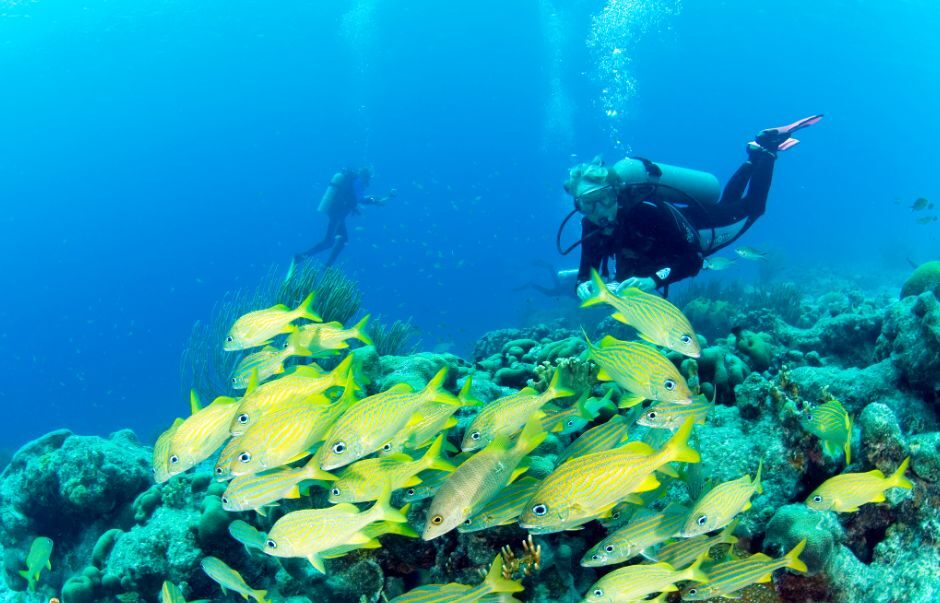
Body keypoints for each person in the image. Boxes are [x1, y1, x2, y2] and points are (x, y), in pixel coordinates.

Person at [557, 115, 822, 299]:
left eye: (603, 198)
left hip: (704, 229)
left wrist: (653, 280)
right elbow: (585, 274)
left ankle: (766, 151)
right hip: (687, 231)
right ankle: (753, 156)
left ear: (615, 192)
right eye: (587, 204)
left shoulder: (647, 209)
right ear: (578, 207)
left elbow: (693, 258)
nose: (599, 211)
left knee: (753, 208)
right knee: (729, 203)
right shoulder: (591, 226)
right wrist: (583, 286)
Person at [289, 166, 395, 274]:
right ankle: (302, 257)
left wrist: (376, 199)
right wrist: (375, 200)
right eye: (368, 179)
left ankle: (326, 265)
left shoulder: (353, 181)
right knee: (329, 242)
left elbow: (358, 197)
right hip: (337, 213)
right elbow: (361, 199)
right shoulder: (357, 181)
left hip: (337, 212)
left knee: (343, 240)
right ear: (364, 176)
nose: (368, 182)